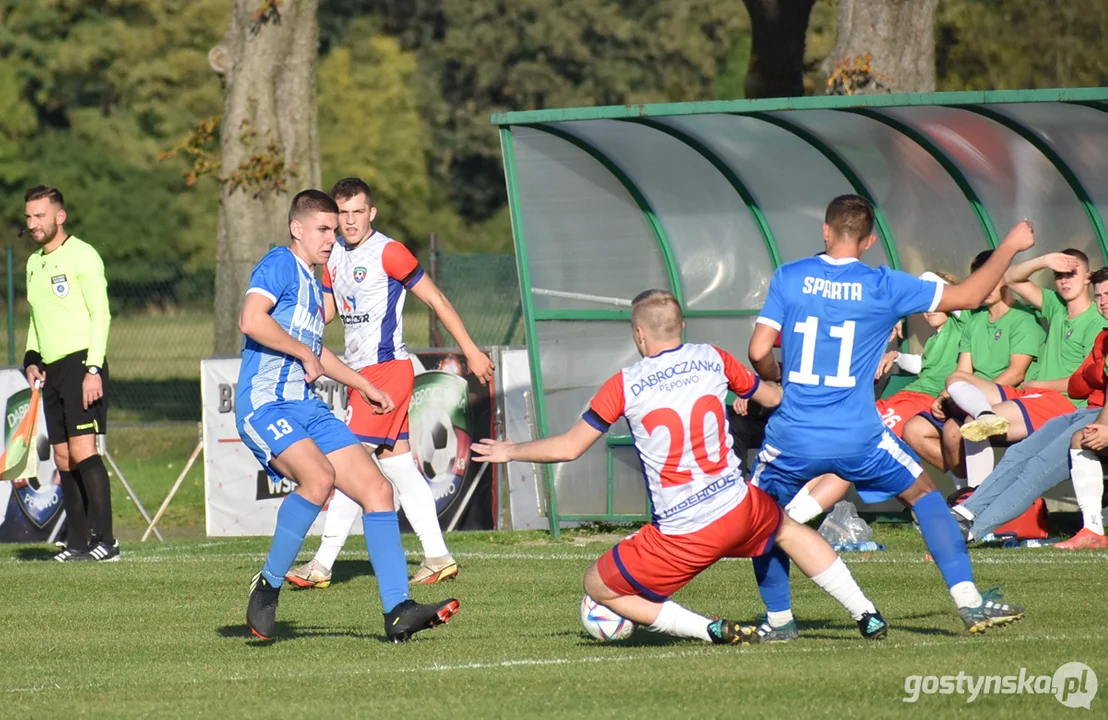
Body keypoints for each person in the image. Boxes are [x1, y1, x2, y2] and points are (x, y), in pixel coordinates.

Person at [474, 290, 890, 646]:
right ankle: (866, 613)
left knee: (597, 585)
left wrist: (511, 451)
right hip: (738, 502)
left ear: (640, 334)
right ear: (681, 326)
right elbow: (771, 396)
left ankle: (708, 629)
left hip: (684, 529)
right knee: (788, 530)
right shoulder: (713, 358)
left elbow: (569, 448)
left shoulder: (625, 384)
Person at [748, 194, 1032, 636]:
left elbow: (759, 351)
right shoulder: (885, 285)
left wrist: (775, 378)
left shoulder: (791, 276)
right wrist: (1011, 245)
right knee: (924, 497)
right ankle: (969, 602)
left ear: (825, 231)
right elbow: (973, 293)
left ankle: (780, 619)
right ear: (870, 241)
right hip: (858, 434)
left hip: (794, 433)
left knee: (763, 517)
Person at [237, 189, 457, 642]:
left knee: (377, 489)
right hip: (264, 404)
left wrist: (365, 386)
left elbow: (321, 354)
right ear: (297, 229)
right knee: (318, 479)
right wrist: (301, 350)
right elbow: (250, 320)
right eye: (322, 229)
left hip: (307, 406)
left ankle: (397, 610)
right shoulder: (279, 264)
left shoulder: (317, 292)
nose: (330, 239)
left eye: (334, 231)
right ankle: (268, 585)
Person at [285, 178, 494, 589]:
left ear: (372, 213)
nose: (349, 221)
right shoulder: (332, 258)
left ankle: (322, 564)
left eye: (358, 212)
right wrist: (287, 326)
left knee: (348, 465)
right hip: (359, 375)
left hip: (387, 372)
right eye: (342, 214)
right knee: (397, 465)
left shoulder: (389, 252)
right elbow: (327, 312)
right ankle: (438, 556)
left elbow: (436, 300)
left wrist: (469, 349)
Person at [787, 271, 965, 523]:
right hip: (906, 399)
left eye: (934, 302)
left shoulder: (964, 322)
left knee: (856, 446)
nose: (928, 310)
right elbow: (924, 366)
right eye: (926, 306)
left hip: (922, 401)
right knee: (841, 441)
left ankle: (791, 518)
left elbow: (947, 295)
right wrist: (896, 356)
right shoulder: (938, 338)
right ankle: (788, 508)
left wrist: (895, 307)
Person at [952, 268, 1108, 549]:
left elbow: (1084, 388)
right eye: (1099, 296)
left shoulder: (1093, 326)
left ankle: (968, 533)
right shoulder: (1102, 337)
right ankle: (966, 512)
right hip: (1082, 410)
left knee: (1036, 467)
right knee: (1019, 452)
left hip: (1090, 413)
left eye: (1107, 294)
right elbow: (1079, 384)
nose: (1103, 301)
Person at [931, 250, 1104, 487]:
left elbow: (1085, 382)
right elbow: (1011, 277)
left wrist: (1039, 384)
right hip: (1031, 395)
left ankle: (973, 501)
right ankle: (972, 494)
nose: (1064, 281)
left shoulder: (1097, 321)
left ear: (1087, 277)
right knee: (957, 379)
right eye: (1058, 275)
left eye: (1071, 274)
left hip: (1062, 403)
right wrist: (1043, 261)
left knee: (969, 426)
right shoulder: (1056, 306)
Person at [22, 186, 117, 563]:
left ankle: (107, 542)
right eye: (29, 217)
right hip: (52, 369)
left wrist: (93, 368)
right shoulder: (33, 263)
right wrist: (32, 358)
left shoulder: (83, 256)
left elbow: (101, 315)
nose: (33, 224)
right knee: (62, 458)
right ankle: (78, 542)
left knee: (83, 451)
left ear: (59, 216)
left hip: (81, 363)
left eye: (40, 216)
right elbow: (35, 319)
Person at [901, 250, 1044, 481]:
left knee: (958, 428)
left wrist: (969, 392)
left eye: (992, 280)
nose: (985, 287)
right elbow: (963, 371)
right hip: (971, 397)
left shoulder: (1023, 319)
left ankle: (977, 496)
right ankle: (974, 491)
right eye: (981, 281)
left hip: (1009, 397)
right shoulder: (975, 321)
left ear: (1006, 280)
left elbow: (1016, 373)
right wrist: (944, 396)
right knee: (914, 430)